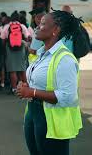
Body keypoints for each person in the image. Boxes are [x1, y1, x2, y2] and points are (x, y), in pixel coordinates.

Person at [17, 10, 83, 155]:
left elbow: (67, 96)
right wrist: (28, 87)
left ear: (55, 30)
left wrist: (32, 92)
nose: (37, 27)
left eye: (42, 24)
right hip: (33, 113)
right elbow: (42, 81)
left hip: (51, 120)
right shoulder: (41, 53)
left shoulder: (65, 59)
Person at [1, 11, 30, 94]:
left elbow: (3, 38)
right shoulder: (22, 26)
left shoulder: (7, 26)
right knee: (22, 68)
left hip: (10, 48)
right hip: (21, 48)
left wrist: (6, 46)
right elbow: (28, 38)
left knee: (12, 70)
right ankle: (26, 87)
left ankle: (14, 88)